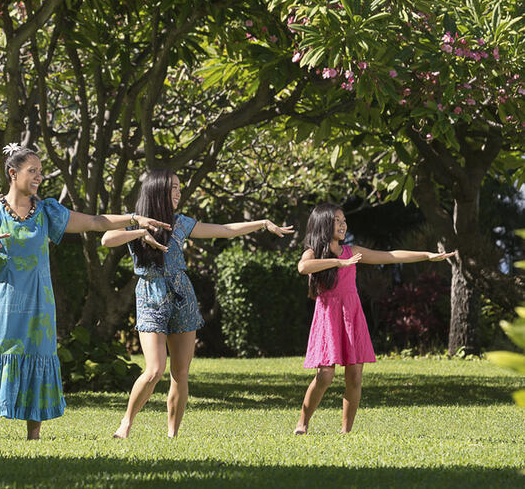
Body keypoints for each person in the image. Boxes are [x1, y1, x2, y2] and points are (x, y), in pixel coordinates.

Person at [0, 145, 169, 440]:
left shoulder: (47, 211)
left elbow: (95, 221)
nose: (39, 177)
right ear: (13, 173)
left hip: (38, 301)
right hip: (2, 300)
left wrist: (134, 219)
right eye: (32, 171)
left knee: (38, 355)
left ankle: (33, 434)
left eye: (41, 171)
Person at [102, 168, 293, 438]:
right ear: (157, 190)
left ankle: (172, 434)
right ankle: (126, 423)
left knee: (180, 372)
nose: (178, 193)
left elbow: (224, 230)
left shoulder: (180, 223)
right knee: (154, 369)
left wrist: (261, 223)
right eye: (173, 188)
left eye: (179, 188)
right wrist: (140, 233)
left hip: (182, 296)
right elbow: (106, 239)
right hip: (150, 295)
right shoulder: (135, 221)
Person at [294, 202, 454, 435]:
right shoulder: (313, 253)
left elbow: (389, 256)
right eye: (337, 221)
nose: (343, 225)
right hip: (328, 318)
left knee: (355, 376)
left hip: (351, 317)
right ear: (323, 223)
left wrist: (427, 256)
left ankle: (346, 432)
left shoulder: (352, 251)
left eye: (344, 220)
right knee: (325, 375)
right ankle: (303, 422)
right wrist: (339, 262)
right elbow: (303, 267)